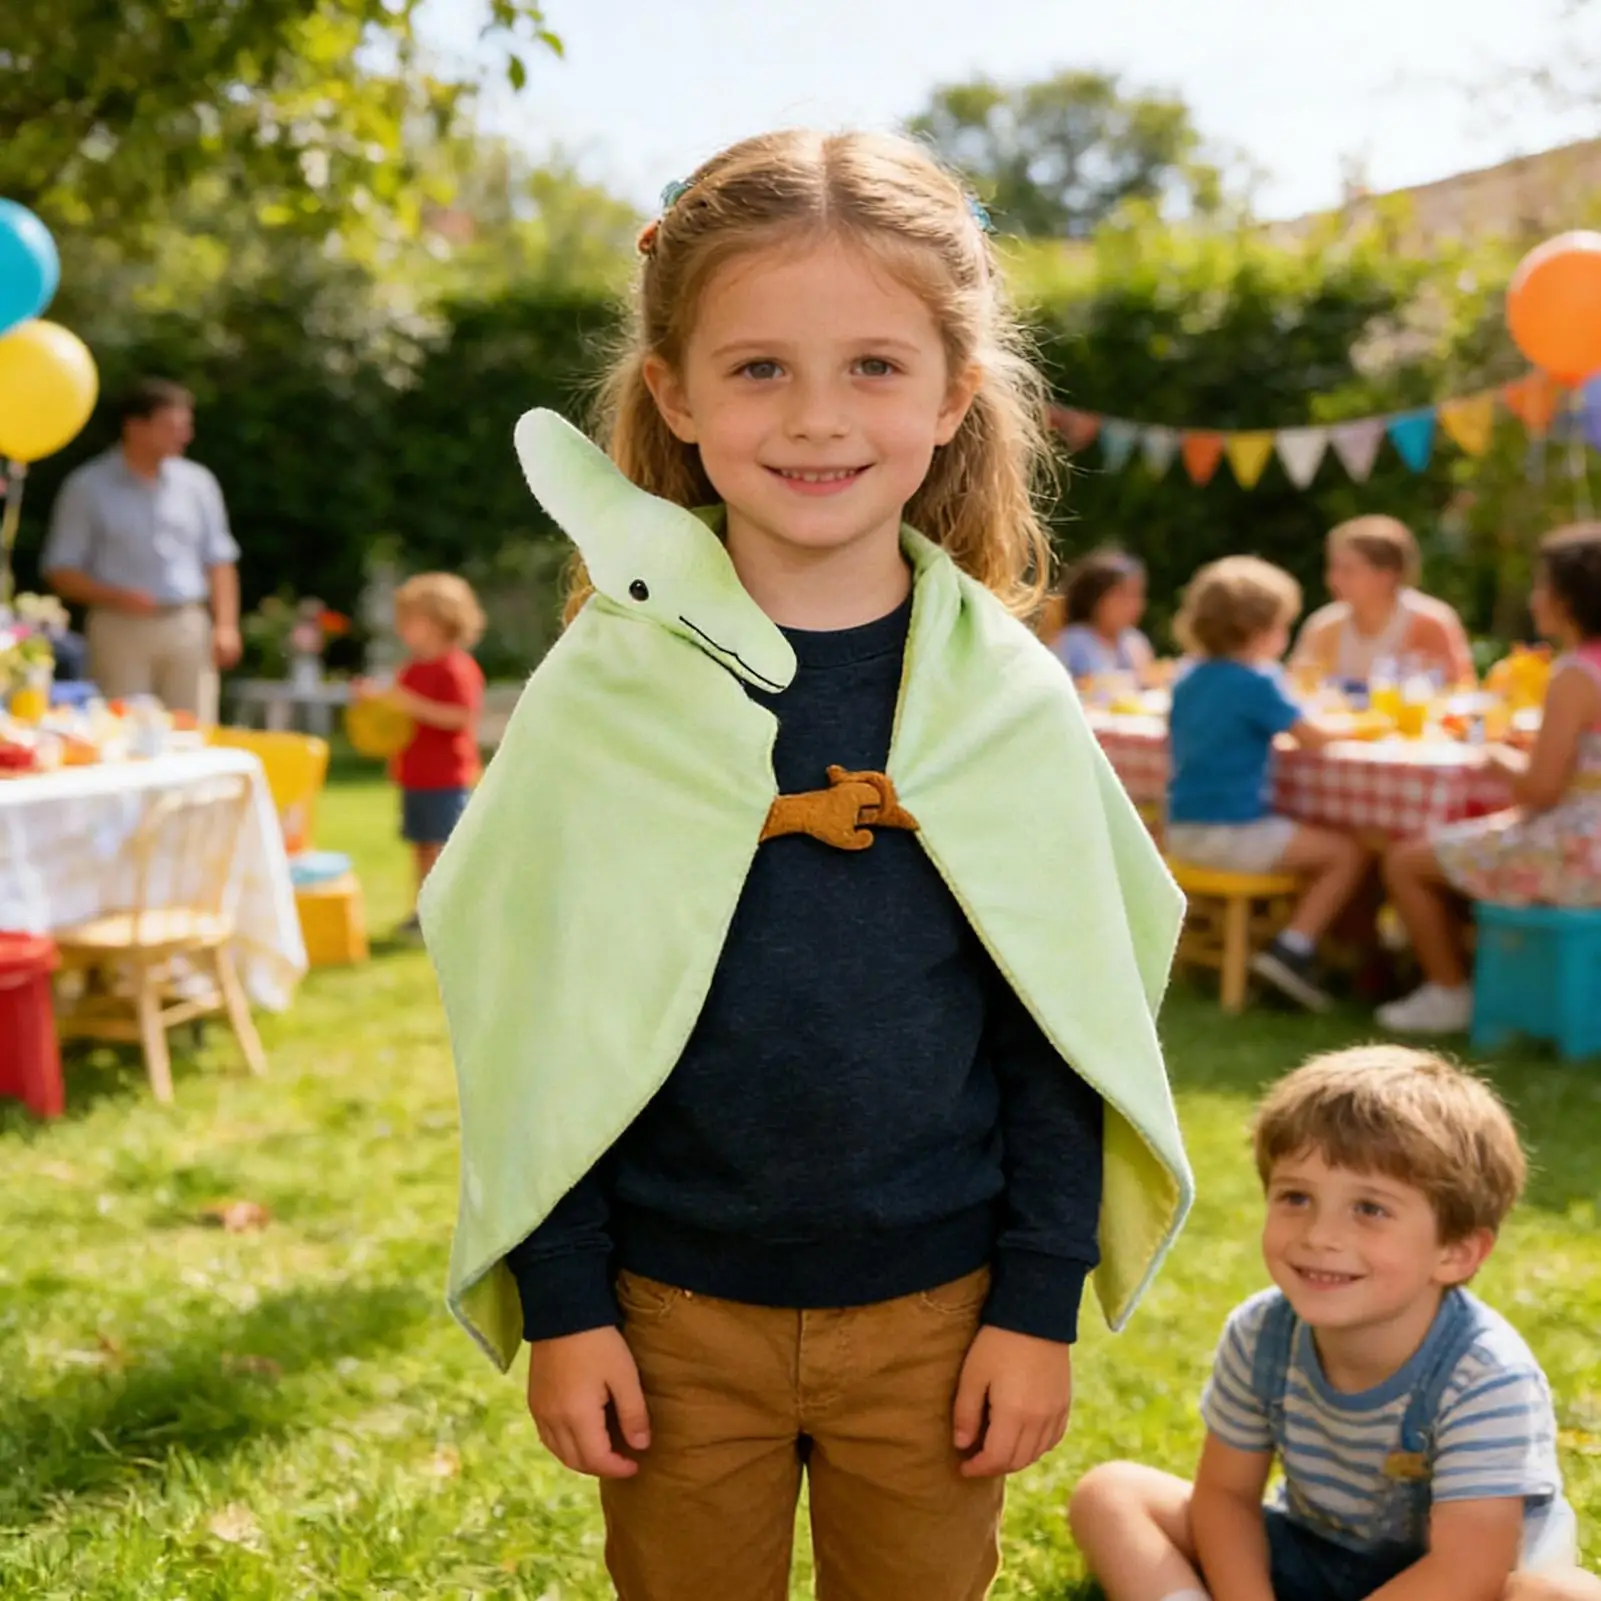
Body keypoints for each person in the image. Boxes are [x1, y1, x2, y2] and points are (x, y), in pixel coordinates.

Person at [417, 129, 1194, 1601]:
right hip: (664, 1314)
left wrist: (1035, 1301)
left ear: (956, 391)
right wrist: (569, 1298)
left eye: (875, 368)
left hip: (941, 1317)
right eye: (760, 366)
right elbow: (544, 1010)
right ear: (675, 394)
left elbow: (1060, 1021)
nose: (817, 417)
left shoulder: (1003, 698)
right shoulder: (608, 689)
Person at [1068, 1044, 1596, 1601]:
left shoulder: (1485, 1374)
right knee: (1111, 1494)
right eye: (1296, 1197)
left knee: (1563, 1595)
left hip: (1463, 1586)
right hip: (1316, 1554)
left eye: (1369, 1209)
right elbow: (1225, 1497)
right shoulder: (1261, 1333)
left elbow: (1471, 1568)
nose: (1319, 1235)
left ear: (1457, 1253)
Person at [1379, 523, 1601, 1034]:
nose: (1535, 596)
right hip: (1583, 841)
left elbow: (1542, 790)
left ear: (1571, 598)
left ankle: (1448, 991)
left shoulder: (1575, 673)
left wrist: (1493, 754)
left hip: (1579, 851)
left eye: (1543, 585)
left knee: (1404, 861)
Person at [1166, 556, 1372, 1011]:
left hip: (1181, 832)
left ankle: (1300, 946)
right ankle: (1291, 951)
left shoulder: (1189, 677)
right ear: (1260, 629)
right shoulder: (1256, 682)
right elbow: (1314, 738)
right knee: (1347, 852)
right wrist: (1365, 725)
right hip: (1232, 835)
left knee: (1308, 839)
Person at [41, 377, 241, 722]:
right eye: (171, 426)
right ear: (135, 426)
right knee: (120, 734)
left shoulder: (198, 483)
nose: (184, 436)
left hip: (187, 624)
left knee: (194, 734)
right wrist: (116, 596)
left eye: (185, 426)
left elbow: (220, 560)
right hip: (118, 628)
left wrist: (226, 625)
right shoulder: (87, 487)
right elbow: (60, 569)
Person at [352, 572, 484, 933]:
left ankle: (453, 913)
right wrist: (372, 701)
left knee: (445, 848)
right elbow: (396, 714)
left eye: (411, 620)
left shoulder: (456, 669)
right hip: (416, 775)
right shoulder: (412, 669)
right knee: (422, 848)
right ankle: (424, 911)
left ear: (442, 622)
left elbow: (461, 717)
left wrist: (409, 702)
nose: (402, 628)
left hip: (447, 777)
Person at [1291, 514, 1476, 688]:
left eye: (1348, 570)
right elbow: (1296, 688)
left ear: (1386, 575)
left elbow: (1461, 690)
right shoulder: (1324, 626)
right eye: (1333, 568)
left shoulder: (1430, 622)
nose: (1334, 579)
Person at [1054, 547, 1155, 683]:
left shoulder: (1134, 641)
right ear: (1095, 599)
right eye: (1123, 596)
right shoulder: (1072, 642)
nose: (1135, 605)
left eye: (1138, 596)